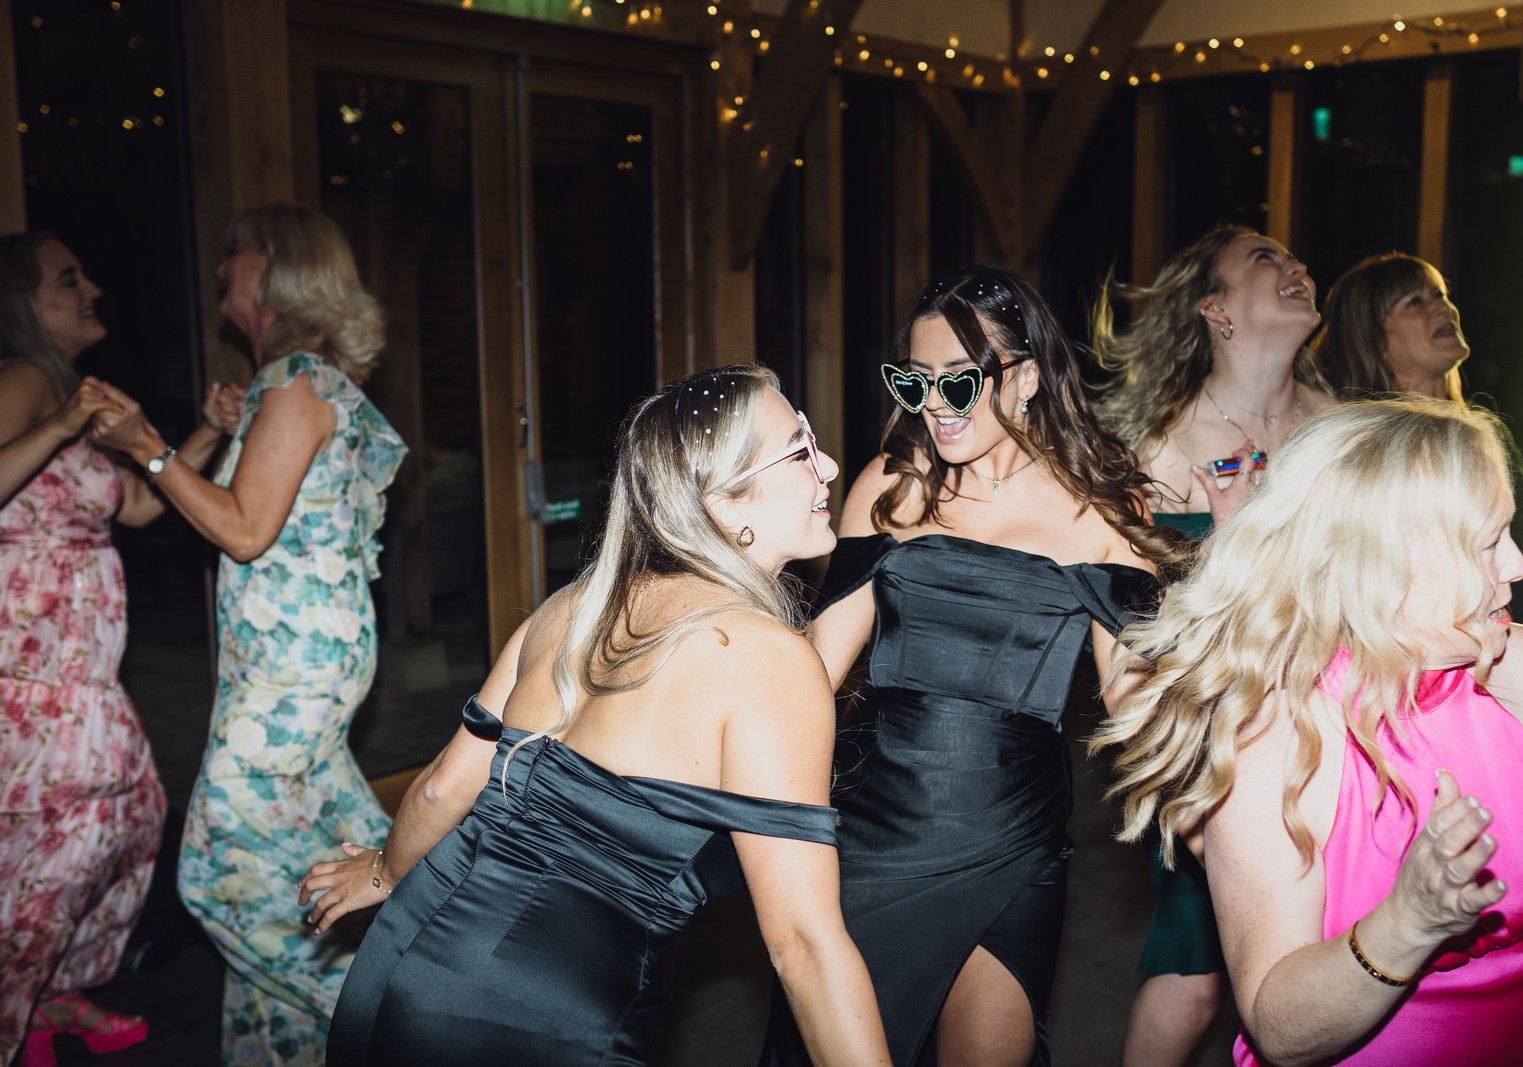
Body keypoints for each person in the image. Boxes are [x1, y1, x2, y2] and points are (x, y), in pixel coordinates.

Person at [292, 364, 891, 1067]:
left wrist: (385, 875)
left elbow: (441, 789)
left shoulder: (570, 609)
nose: (829, 466)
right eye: (799, 451)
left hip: (395, 968)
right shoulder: (770, 661)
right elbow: (805, 947)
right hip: (533, 1022)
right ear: (725, 505)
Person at [1094, 398, 1523, 1066]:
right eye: (1486, 543)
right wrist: (1407, 924)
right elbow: (1277, 1027)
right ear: (1384, 561)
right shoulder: (1278, 734)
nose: (1517, 567)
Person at [763, 266, 1176, 1067]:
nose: (933, 406)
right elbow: (817, 666)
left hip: (1012, 834)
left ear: (1026, 377)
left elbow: (1134, 697)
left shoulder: (1102, 507)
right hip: (876, 828)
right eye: (914, 382)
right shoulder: (890, 486)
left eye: (958, 381)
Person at [88, 203, 406, 1067]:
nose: (223, 264)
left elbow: (244, 528)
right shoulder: (297, 383)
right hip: (302, 657)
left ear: (273, 267)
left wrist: (147, 443)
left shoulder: (296, 379)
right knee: (304, 862)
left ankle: (408, 1020)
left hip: (291, 672)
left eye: (237, 251)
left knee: (214, 875)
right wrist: (208, 435)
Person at [1093, 224, 1337, 1066]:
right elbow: (1123, 620)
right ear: (1215, 309)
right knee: (1196, 971)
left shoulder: (1340, 432)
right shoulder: (1158, 448)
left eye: (1292, 254)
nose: (1297, 264)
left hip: (1333, 719)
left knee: (1334, 949)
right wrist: (1151, 741)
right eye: (1266, 259)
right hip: (1211, 726)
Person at [0, 232, 238, 1067]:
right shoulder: (26, 383)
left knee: (132, 816)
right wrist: (63, 420)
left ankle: (48, 993)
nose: (91, 289)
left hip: (84, 671)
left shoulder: (63, 391)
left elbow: (136, 505)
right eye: (68, 280)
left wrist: (207, 430)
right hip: (31, 669)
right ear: (23, 302)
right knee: (67, 844)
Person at [1315, 251, 1523, 687]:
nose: (1443, 308)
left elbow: (1512, 564)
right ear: (1370, 334)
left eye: (1440, 294)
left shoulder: (1483, 433)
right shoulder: (1367, 451)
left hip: (1515, 661)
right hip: (1441, 680)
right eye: (1414, 301)